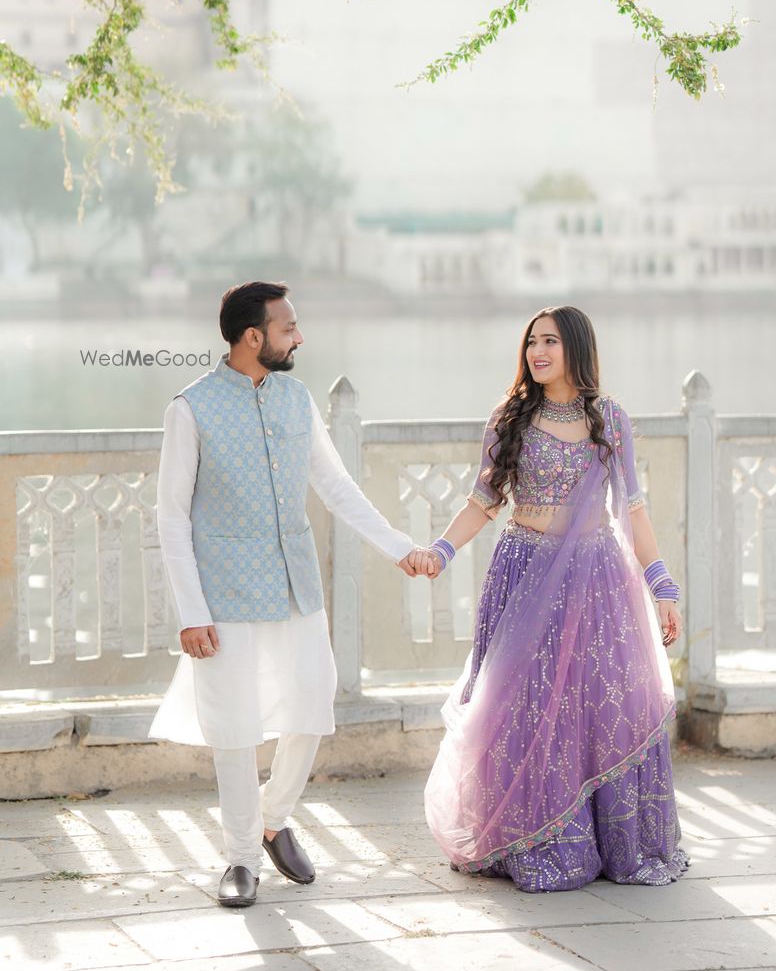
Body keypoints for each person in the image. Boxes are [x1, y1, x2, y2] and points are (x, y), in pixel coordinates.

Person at [149, 281, 433, 908]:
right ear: (254, 336)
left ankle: (274, 819)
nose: (298, 336)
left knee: (311, 701)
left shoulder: (298, 399)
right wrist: (191, 612)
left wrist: (399, 548)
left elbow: (335, 487)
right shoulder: (190, 409)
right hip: (223, 594)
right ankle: (242, 857)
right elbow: (170, 517)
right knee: (236, 727)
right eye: (287, 328)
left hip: (294, 584)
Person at [422, 305, 688, 892]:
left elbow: (633, 509)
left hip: (596, 577)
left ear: (576, 347)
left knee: (598, 702)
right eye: (531, 342)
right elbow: (482, 501)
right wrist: (441, 550)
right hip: (524, 573)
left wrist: (662, 586)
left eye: (550, 342)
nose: (537, 352)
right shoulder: (510, 418)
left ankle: (617, 841)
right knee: (525, 705)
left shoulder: (608, 419)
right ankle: (537, 837)